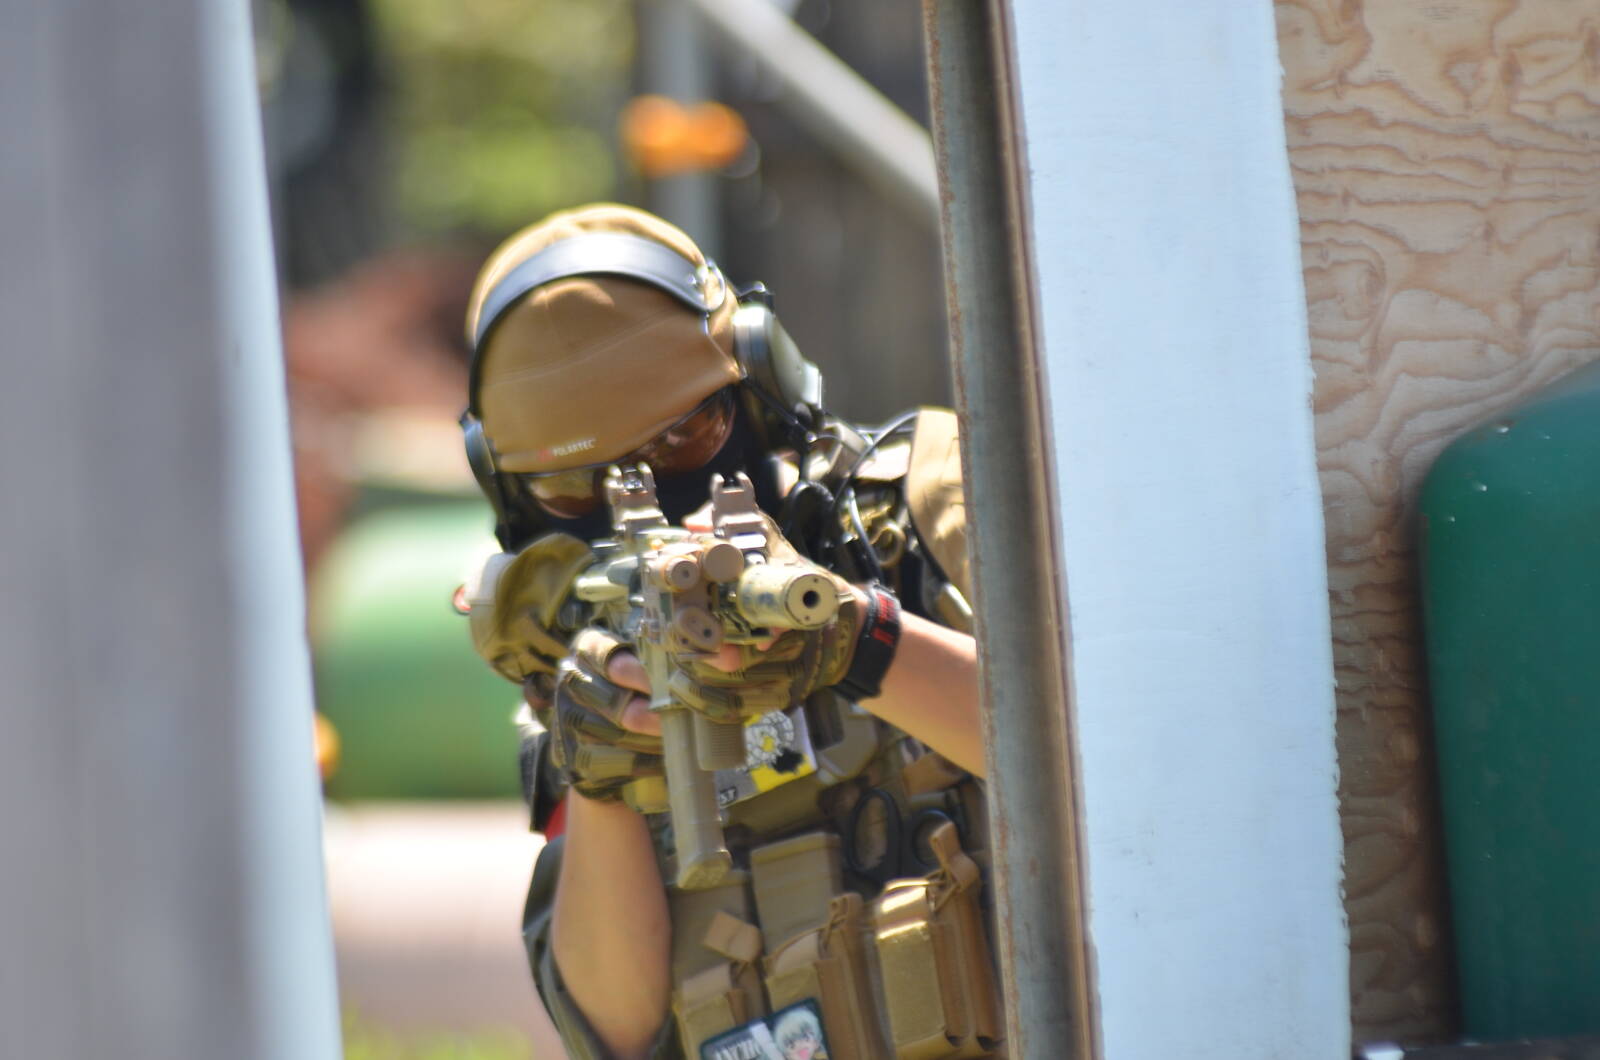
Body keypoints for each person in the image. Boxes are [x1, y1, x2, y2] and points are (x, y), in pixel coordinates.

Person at [458, 203, 1002, 1060]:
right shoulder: (576, 651)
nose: (642, 505)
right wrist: (599, 780)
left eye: (685, 438)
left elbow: (1106, 762)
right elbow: (618, 1027)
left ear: (758, 380)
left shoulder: (923, 506)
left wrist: (860, 641)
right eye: (571, 486)